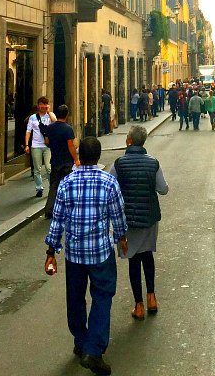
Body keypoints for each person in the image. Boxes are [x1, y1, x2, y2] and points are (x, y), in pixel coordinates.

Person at [45, 137, 127, 375]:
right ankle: (93, 349)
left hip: (74, 254)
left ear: (80, 156)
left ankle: (81, 342)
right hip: (100, 253)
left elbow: (57, 220)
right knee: (102, 297)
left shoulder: (66, 183)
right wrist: (121, 238)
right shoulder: (109, 182)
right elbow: (118, 216)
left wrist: (51, 252)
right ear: (99, 157)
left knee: (76, 298)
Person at [110, 125, 169, 320]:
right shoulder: (153, 163)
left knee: (133, 260)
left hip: (127, 219)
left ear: (128, 140)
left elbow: (111, 187)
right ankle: (152, 297)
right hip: (149, 217)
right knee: (147, 256)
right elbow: (163, 189)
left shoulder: (119, 163)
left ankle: (139, 305)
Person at [44, 105, 79, 219]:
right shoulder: (68, 128)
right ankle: (67, 209)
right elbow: (71, 146)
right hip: (66, 162)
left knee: (54, 186)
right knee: (67, 186)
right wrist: (76, 159)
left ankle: (49, 210)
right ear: (66, 115)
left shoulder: (50, 127)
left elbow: (47, 141)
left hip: (55, 160)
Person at [24, 96, 56, 198]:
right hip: (36, 146)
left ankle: (52, 187)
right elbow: (28, 131)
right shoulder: (33, 118)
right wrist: (26, 144)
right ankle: (39, 188)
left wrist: (49, 112)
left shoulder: (50, 115)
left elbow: (56, 123)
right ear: (38, 106)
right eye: (41, 104)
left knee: (49, 167)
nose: (43, 106)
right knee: (37, 169)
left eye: (45, 104)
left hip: (47, 146)